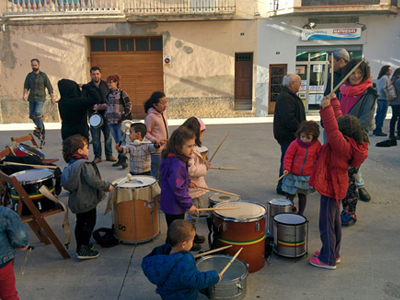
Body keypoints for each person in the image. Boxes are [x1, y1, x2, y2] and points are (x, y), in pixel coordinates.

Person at [308, 94, 369, 270]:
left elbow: (332, 129)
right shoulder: (351, 142)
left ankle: (328, 259)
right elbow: (339, 121)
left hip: (331, 186)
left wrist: (325, 108)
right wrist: (334, 102)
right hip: (336, 184)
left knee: (326, 224)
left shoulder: (341, 145)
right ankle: (334, 252)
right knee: (333, 222)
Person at [61, 134, 113, 259]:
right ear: (80, 151)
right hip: (87, 201)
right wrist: (107, 186)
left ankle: (82, 245)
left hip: (77, 201)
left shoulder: (71, 165)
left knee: (81, 224)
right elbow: (93, 180)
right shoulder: (84, 165)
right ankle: (82, 249)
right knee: (88, 224)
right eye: (86, 147)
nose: (88, 150)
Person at [141, 219, 221, 300]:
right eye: (192, 241)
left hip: (167, 295)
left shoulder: (162, 254)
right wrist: (214, 276)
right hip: (185, 296)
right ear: (183, 244)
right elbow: (196, 281)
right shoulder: (184, 263)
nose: (192, 243)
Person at [338, 59, 377, 217]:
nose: (356, 76)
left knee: (350, 177)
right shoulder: (342, 89)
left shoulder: (369, 92)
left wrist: (349, 134)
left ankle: (349, 212)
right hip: (340, 138)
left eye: (360, 73)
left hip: (355, 139)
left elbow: (366, 118)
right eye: (353, 72)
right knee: (341, 173)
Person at [159, 126, 201, 251]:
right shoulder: (178, 163)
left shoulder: (172, 156)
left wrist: (187, 182)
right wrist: (189, 204)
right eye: (189, 146)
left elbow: (175, 179)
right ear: (178, 147)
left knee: (173, 228)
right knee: (176, 230)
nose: (192, 149)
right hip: (174, 205)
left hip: (170, 201)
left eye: (193, 145)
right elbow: (177, 188)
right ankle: (171, 252)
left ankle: (178, 246)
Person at [273, 73, 305, 195]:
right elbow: (288, 119)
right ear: (292, 84)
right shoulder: (286, 97)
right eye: (299, 83)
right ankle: (282, 186)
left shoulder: (289, 95)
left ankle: (285, 185)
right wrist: (302, 130)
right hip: (288, 136)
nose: (300, 85)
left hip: (291, 135)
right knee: (287, 161)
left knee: (288, 160)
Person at [281, 120, 321, 215]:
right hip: (293, 174)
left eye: (308, 137)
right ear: (299, 134)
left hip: (306, 176)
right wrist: (286, 168)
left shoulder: (317, 146)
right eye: (303, 136)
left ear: (314, 137)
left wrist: (316, 171)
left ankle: (301, 213)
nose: (304, 140)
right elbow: (288, 156)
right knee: (290, 194)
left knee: (302, 195)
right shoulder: (295, 144)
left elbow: (319, 159)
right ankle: (288, 210)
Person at [181, 117, 210, 244]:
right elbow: (191, 170)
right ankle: (187, 239)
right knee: (194, 213)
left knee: (194, 213)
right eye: (203, 132)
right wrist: (204, 167)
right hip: (192, 188)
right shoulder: (190, 150)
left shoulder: (189, 146)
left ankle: (192, 233)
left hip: (193, 186)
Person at [23, 58, 56, 147]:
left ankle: (40, 129)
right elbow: (26, 86)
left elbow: (49, 87)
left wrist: (52, 98)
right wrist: (25, 95)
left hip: (40, 97)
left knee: (37, 112)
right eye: (32, 65)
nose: (34, 67)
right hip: (31, 98)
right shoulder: (29, 76)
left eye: (35, 65)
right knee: (31, 115)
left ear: (39, 65)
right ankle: (41, 128)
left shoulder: (43, 76)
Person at [87, 66, 117, 164]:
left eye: (97, 74)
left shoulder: (106, 85)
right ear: (90, 75)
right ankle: (97, 156)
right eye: (93, 74)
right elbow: (84, 101)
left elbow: (112, 98)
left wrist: (106, 105)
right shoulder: (87, 87)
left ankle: (109, 155)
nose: (95, 76)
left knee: (108, 136)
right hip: (94, 116)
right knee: (95, 138)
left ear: (100, 74)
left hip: (106, 115)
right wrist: (93, 106)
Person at [0, 206, 29, 300]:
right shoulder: (4, 213)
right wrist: (22, 245)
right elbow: (19, 237)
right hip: (2, 265)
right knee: (9, 295)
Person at [104, 74, 132, 170]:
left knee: (122, 140)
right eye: (108, 82)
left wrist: (123, 115)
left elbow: (128, 105)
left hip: (120, 122)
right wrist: (106, 114)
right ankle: (120, 158)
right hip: (111, 121)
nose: (109, 84)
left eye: (111, 82)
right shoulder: (108, 94)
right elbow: (108, 105)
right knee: (117, 141)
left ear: (116, 82)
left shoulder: (122, 93)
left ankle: (124, 160)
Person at [144, 91, 169, 181]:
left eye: (166, 102)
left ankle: (162, 193)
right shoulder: (151, 116)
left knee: (164, 174)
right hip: (157, 151)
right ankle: (155, 194)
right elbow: (146, 133)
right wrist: (156, 140)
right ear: (155, 105)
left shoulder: (163, 114)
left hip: (165, 150)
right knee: (156, 175)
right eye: (162, 103)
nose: (165, 105)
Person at [373, 65, 392, 136]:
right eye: (389, 70)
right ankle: (378, 129)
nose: (391, 71)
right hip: (383, 99)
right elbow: (382, 88)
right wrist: (387, 95)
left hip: (380, 98)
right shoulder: (385, 78)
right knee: (382, 115)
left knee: (378, 114)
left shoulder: (381, 78)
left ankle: (376, 128)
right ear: (386, 71)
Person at [389, 68, 400, 140]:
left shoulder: (392, 80)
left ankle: (391, 133)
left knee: (394, 117)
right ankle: (399, 133)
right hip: (399, 101)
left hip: (393, 101)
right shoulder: (399, 80)